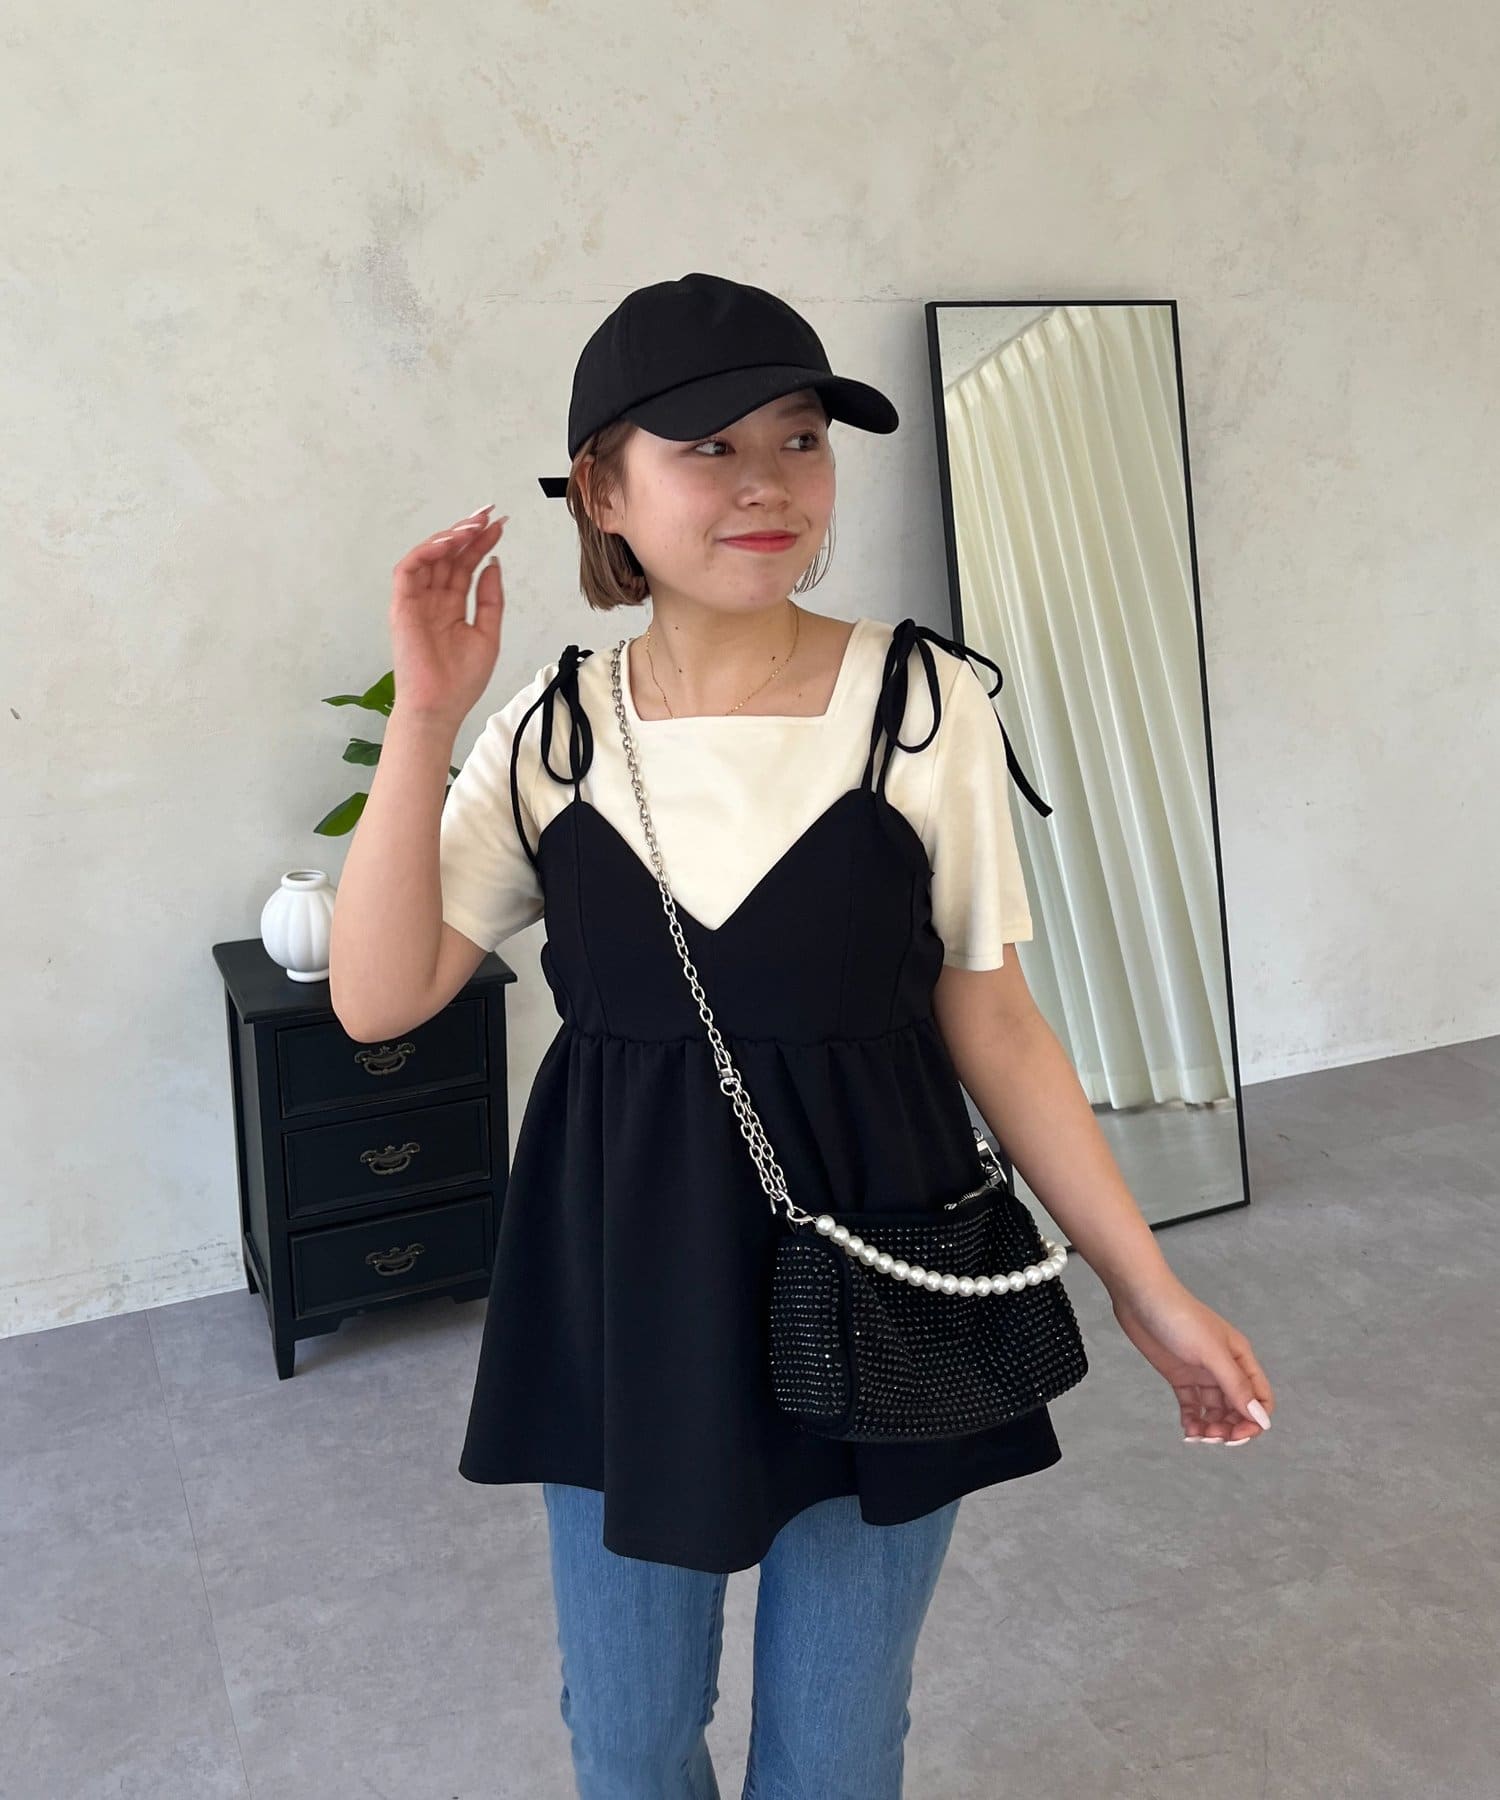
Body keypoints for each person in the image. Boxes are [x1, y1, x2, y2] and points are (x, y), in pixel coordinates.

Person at [330, 273, 1275, 1800]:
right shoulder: (549, 734)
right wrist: (429, 713)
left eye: (799, 438)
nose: (767, 481)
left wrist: (1145, 1287)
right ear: (602, 491)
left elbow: (996, 1019)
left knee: (837, 1750)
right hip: (625, 1284)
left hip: (884, 1275)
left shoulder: (923, 702)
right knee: (628, 1744)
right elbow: (379, 999)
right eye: (707, 446)